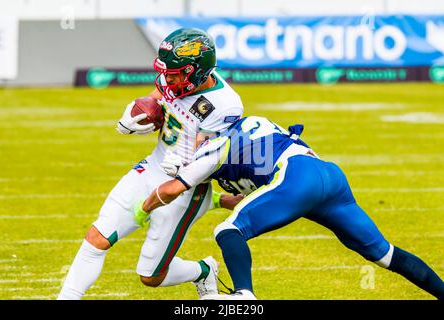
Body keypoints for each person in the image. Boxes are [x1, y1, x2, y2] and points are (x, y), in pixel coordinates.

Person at [136, 116, 444, 300]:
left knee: (228, 230)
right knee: (384, 254)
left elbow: (180, 185)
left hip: (296, 177)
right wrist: (213, 196)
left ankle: (244, 296)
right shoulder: (240, 136)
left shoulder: (215, 146)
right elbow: (254, 197)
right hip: (328, 177)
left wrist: (148, 204)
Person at [57, 27, 244, 300]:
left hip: (183, 188)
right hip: (151, 167)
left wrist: (182, 165)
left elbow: (211, 156)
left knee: (151, 276)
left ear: (197, 71)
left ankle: (203, 270)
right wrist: (134, 115)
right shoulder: (174, 80)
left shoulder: (225, 105)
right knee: (97, 237)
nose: (168, 79)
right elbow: (155, 99)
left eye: (175, 73)